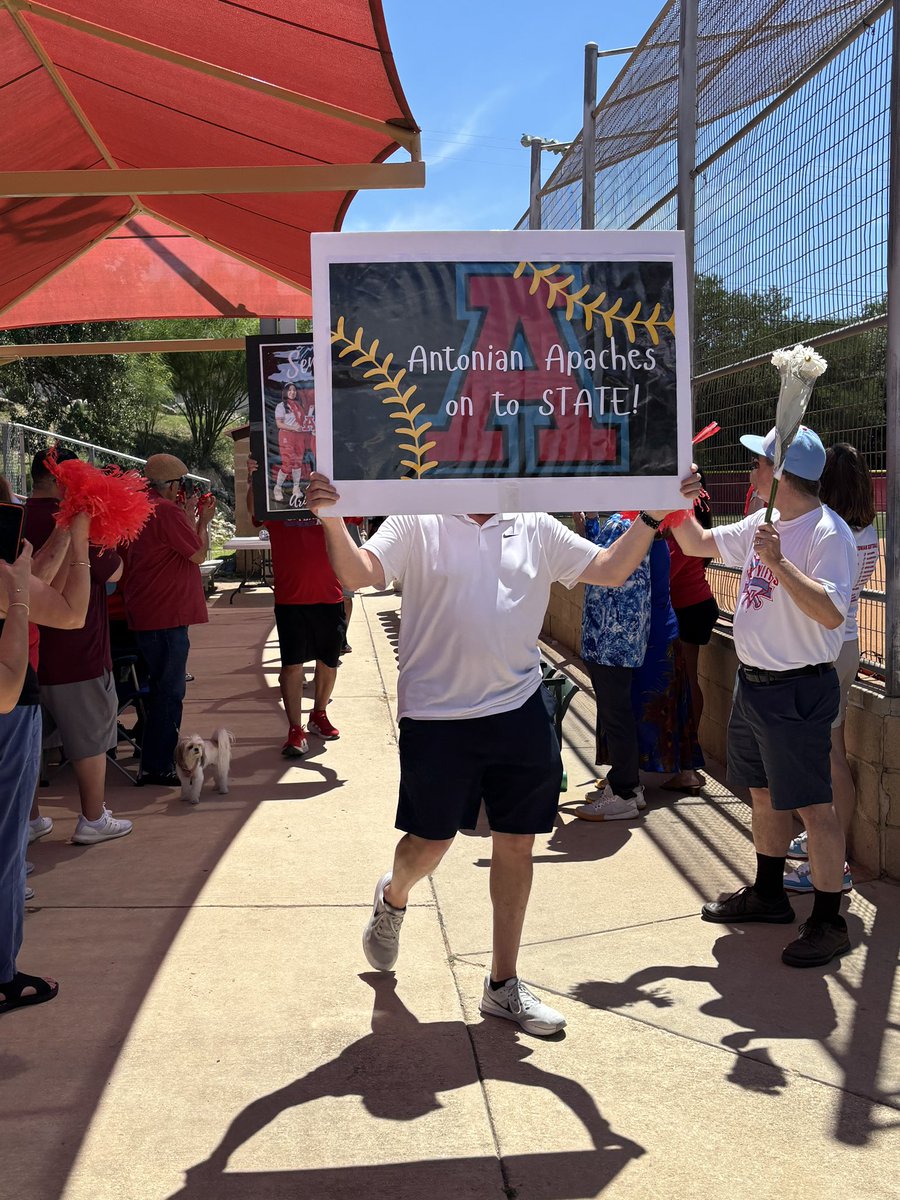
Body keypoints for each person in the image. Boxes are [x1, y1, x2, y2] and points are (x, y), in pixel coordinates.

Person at [305, 471, 696, 1035]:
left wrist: (655, 518)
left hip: (518, 708)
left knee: (518, 843)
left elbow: (611, 570)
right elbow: (357, 573)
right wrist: (332, 519)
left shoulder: (534, 524)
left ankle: (502, 985)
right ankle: (393, 898)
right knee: (430, 843)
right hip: (436, 714)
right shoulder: (420, 516)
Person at [671, 426, 857, 968]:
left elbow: (832, 611)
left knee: (813, 807)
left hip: (798, 688)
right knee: (761, 794)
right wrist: (672, 505)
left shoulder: (828, 533)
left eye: (758, 463)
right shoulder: (764, 520)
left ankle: (829, 920)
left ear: (779, 475)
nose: (750, 471)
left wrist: (778, 562)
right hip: (755, 684)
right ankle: (770, 894)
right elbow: (698, 544)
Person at [1, 507, 92, 1015]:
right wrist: (79, 545)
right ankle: (2, 974)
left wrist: (57, 536)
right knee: (6, 848)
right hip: (10, 713)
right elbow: (69, 613)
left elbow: (31, 585)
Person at [783, 443, 879, 894]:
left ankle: (831, 859)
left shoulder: (833, 531)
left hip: (828, 647)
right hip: (849, 644)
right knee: (831, 750)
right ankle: (829, 847)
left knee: (828, 757)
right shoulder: (867, 529)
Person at [24, 451, 131, 844]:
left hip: (26, 659)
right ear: (62, 479)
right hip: (79, 654)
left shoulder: (15, 519)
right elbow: (115, 570)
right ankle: (92, 817)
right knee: (89, 740)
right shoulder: (75, 522)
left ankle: (30, 819)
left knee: (28, 746)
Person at [121, 454, 214, 787]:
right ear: (173, 486)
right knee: (169, 693)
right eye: (181, 484)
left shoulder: (142, 507)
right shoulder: (165, 511)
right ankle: (157, 764)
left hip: (148, 611)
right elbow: (198, 553)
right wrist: (202, 521)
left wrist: (188, 517)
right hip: (166, 614)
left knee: (157, 688)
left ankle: (151, 753)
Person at [246, 458, 345, 755]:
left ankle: (319, 714)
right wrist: (255, 480)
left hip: (330, 595)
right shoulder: (276, 502)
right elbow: (254, 510)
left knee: (329, 662)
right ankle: (294, 727)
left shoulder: (331, 500)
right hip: (290, 599)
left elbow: (357, 511)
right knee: (291, 666)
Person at [573, 512, 651, 822]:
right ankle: (628, 785)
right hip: (616, 638)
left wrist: (586, 523)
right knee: (617, 713)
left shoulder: (623, 523)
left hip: (611, 639)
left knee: (616, 715)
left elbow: (596, 563)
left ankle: (625, 793)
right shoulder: (631, 521)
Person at [630, 533, 704, 791]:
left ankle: (629, 778)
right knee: (678, 693)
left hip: (667, 624)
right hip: (668, 623)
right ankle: (684, 770)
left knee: (670, 694)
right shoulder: (660, 539)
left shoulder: (664, 541)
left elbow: (639, 582)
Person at [668, 485, 719, 742]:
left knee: (687, 680)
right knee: (682, 680)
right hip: (687, 607)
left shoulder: (688, 525)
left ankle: (689, 747)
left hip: (691, 609)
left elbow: (668, 571)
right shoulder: (685, 521)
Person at [273, 383, 315, 504]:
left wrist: (309, 426)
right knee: (287, 463)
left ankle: (296, 488)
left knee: (298, 463)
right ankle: (278, 488)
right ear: (285, 392)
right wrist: (292, 428)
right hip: (287, 435)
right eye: (290, 390)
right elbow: (279, 424)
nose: (292, 392)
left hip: (299, 436)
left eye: (294, 390)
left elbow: (303, 423)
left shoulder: (299, 405)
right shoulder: (281, 406)